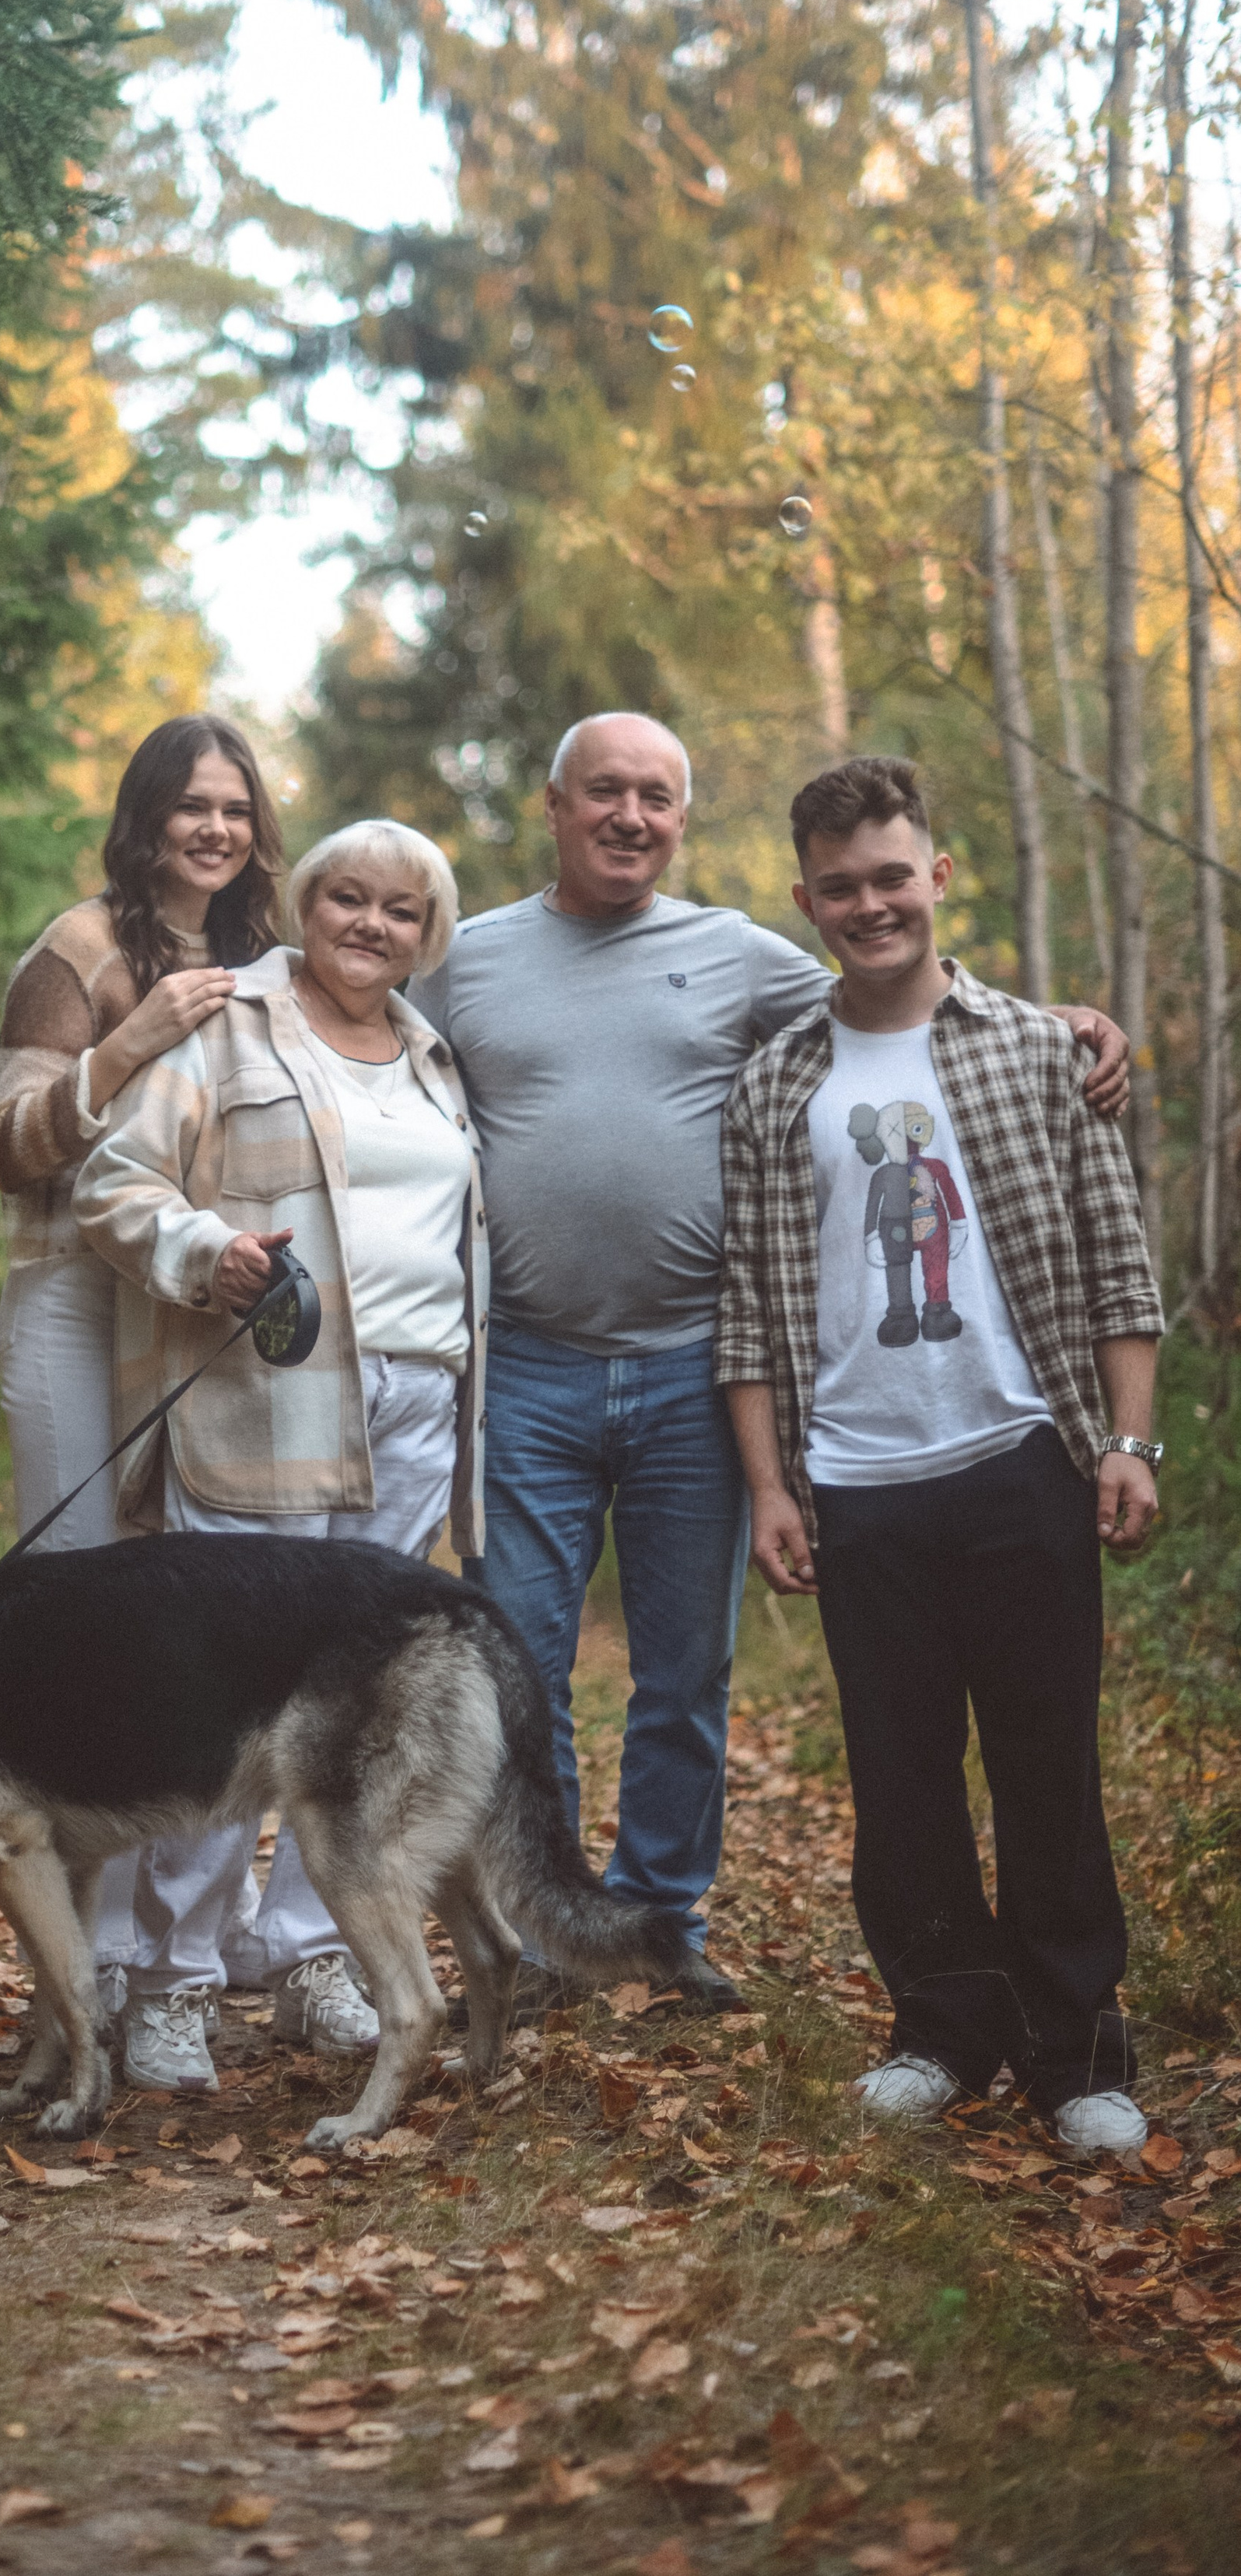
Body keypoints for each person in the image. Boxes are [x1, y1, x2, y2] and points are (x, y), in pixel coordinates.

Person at [411, 712, 1131, 2012]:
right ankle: (548, 1935)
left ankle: (662, 1921)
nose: (631, 817)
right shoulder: (470, 960)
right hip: (524, 1366)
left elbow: (908, 1005)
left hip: (698, 1367)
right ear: (556, 805)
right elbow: (356, 1047)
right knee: (523, 1664)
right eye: (604, 794)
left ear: (682, 818)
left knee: (685, 1671)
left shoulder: (740, 955)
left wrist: (1067, 1024)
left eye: (657, 797)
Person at [717, 755, 1162, 2155]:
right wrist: (772, 1483)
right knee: (900, 1775)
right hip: (859, 1486)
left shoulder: (1037, 1049)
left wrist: (1128, 1440)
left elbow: (1116, 1263)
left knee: (1047, 1766)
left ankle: (1080, 2048)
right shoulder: (776, 1082)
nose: (871, 904)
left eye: (892, 876)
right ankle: (942, 2032)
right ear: (806, 900)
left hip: (1021, 1462)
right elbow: (745, 1306)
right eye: (840, 887)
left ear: (938, 876)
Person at [73, 818, 489, 2091]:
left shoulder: (435, 1058)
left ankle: (313, 1958)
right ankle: (175, 1984)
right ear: (306, 904)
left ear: (430, 935)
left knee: (362, 1715)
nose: (371, 925)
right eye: (347, 898)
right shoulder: (227, 1024)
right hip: (267, 1398)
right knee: (226, 1704)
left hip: (419, 1409)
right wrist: (210, 1255)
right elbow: (115, 1182)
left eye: (401, 911)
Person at [0, 713, 283, 2091]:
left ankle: (175, 1956)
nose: (214, 829)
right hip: (68, 1301)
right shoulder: (79, 949)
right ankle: (76, 1969)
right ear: (147, 815)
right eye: (192, 807)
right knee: (77, 1611)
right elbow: (9, 1145)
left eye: (235, 807)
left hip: (188, 1307)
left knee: (182, 1617)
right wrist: (132, 1042)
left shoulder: (271, 953)